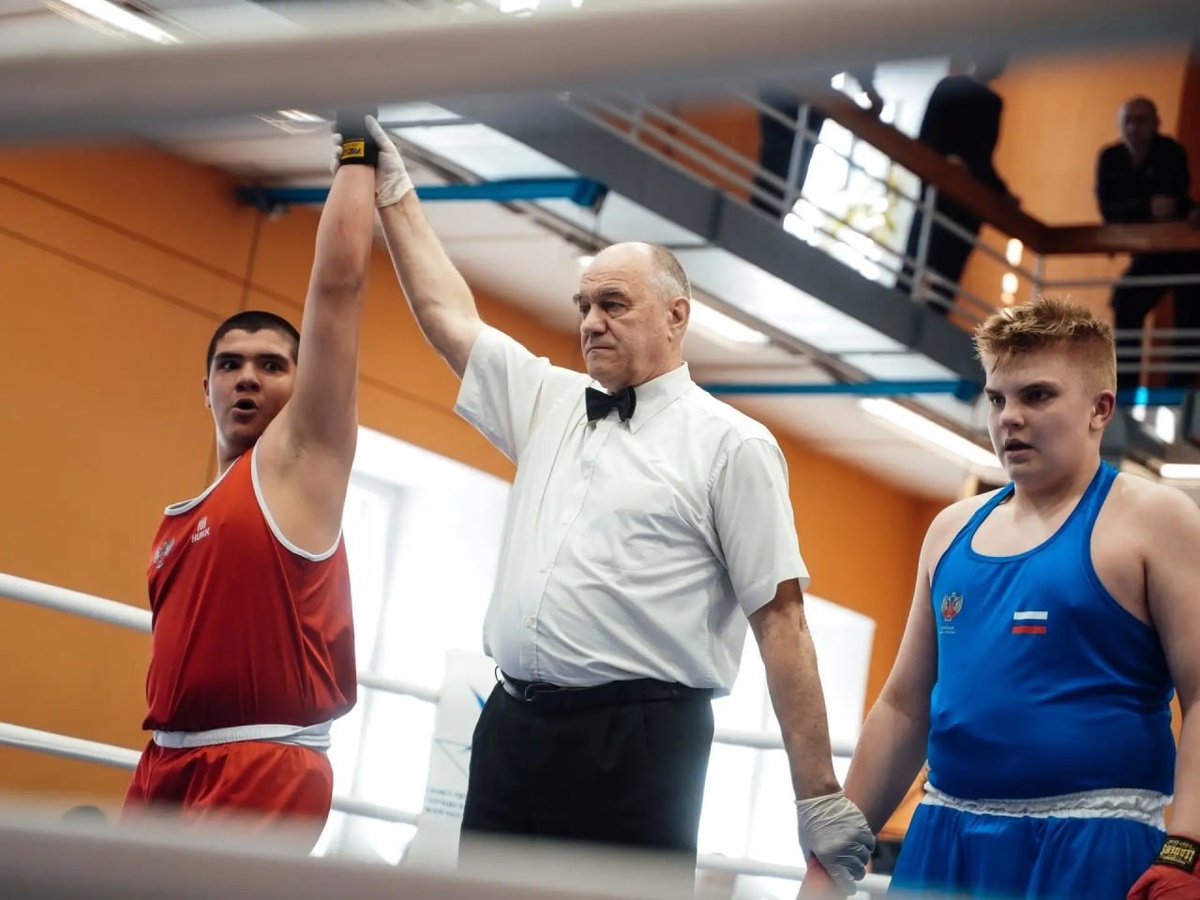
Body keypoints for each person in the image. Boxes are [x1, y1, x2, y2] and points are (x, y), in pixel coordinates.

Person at [337, 117, 874, 894]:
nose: (590, 322)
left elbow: (782, 620)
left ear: (676, 316)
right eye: (584, 304)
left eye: (614, 304)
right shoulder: (549, 400)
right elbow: (450, 316)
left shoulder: (733, 445)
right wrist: (393, 188)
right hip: (511, 726)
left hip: (640, 743)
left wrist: (816, 793)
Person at [798, 296, 1198, 899]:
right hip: (945, 838)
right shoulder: (949, 530)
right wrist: (833, 857)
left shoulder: (1155, 519)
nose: (1009, 417)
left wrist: (1187, 847)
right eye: (996, 398)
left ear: (1100, 408)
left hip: (1091, 845)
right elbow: (905, 706)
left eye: (1036, 396)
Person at [121, 113, 381, 851]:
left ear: (304, 387)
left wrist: (356, 148)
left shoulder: (301, 463)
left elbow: (338, 290)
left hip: (262, 762)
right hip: (165, 760)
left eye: (272, 365)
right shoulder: (177, 522)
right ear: (204, 387)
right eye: (230, 364)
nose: (247, 378)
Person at [1096, 96, 1200, 390]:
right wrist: (1145, 208)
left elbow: (1170, 204)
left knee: (1190, 312)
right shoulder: (1111, 158)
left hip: (1183, 251)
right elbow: (1109, 210)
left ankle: (1178, 388)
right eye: (1127, 121)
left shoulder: (1170, 151)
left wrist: (1139, 211)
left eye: (1141, 120)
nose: (1133, 127)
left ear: (1156, 124)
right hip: (1150, 252)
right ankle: (1126, 386)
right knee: (1125, 299)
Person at [900, 56, 1012, 314]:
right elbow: (926, 140)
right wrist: (947, 161)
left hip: (966, 203)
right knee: (918, 259)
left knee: (945, 275)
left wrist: (1002, 192)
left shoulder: (993, 102)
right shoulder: (951, 88)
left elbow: (983, 159)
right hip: (940, 192)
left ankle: (929, 314)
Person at [752, 68, 884, 219]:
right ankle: (764, 216)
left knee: (786, 166)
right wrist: (869, 88)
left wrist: (869, 87)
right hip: (792, 84)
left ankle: (766, 216)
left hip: (804, 89)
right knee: (782, 164)